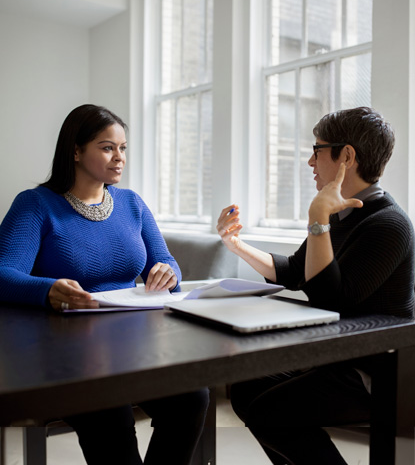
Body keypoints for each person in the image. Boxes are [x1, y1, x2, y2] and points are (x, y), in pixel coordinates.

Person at [0, 104, 209, 465]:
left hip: (134, 344)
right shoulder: (35, 205)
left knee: (192, 396)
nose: (119, 157)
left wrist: (167, 273)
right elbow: (3, 273)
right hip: (68, 354)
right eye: (107, 147)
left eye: (123, 148)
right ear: (76, 151)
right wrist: (47, 289)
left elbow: (166, 263)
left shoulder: (132, 204)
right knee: (109, 409)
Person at [216, 107, 415, 465]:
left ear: (347, 156)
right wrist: (237, 246)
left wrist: (317, 218)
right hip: (337, 355)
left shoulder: (389, 224)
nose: (310, 161)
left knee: (270, 412)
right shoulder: (342, 215)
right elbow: (296, 272)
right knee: (246, 390)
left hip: (377, 370)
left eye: (318, 149)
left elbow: (328, 299)